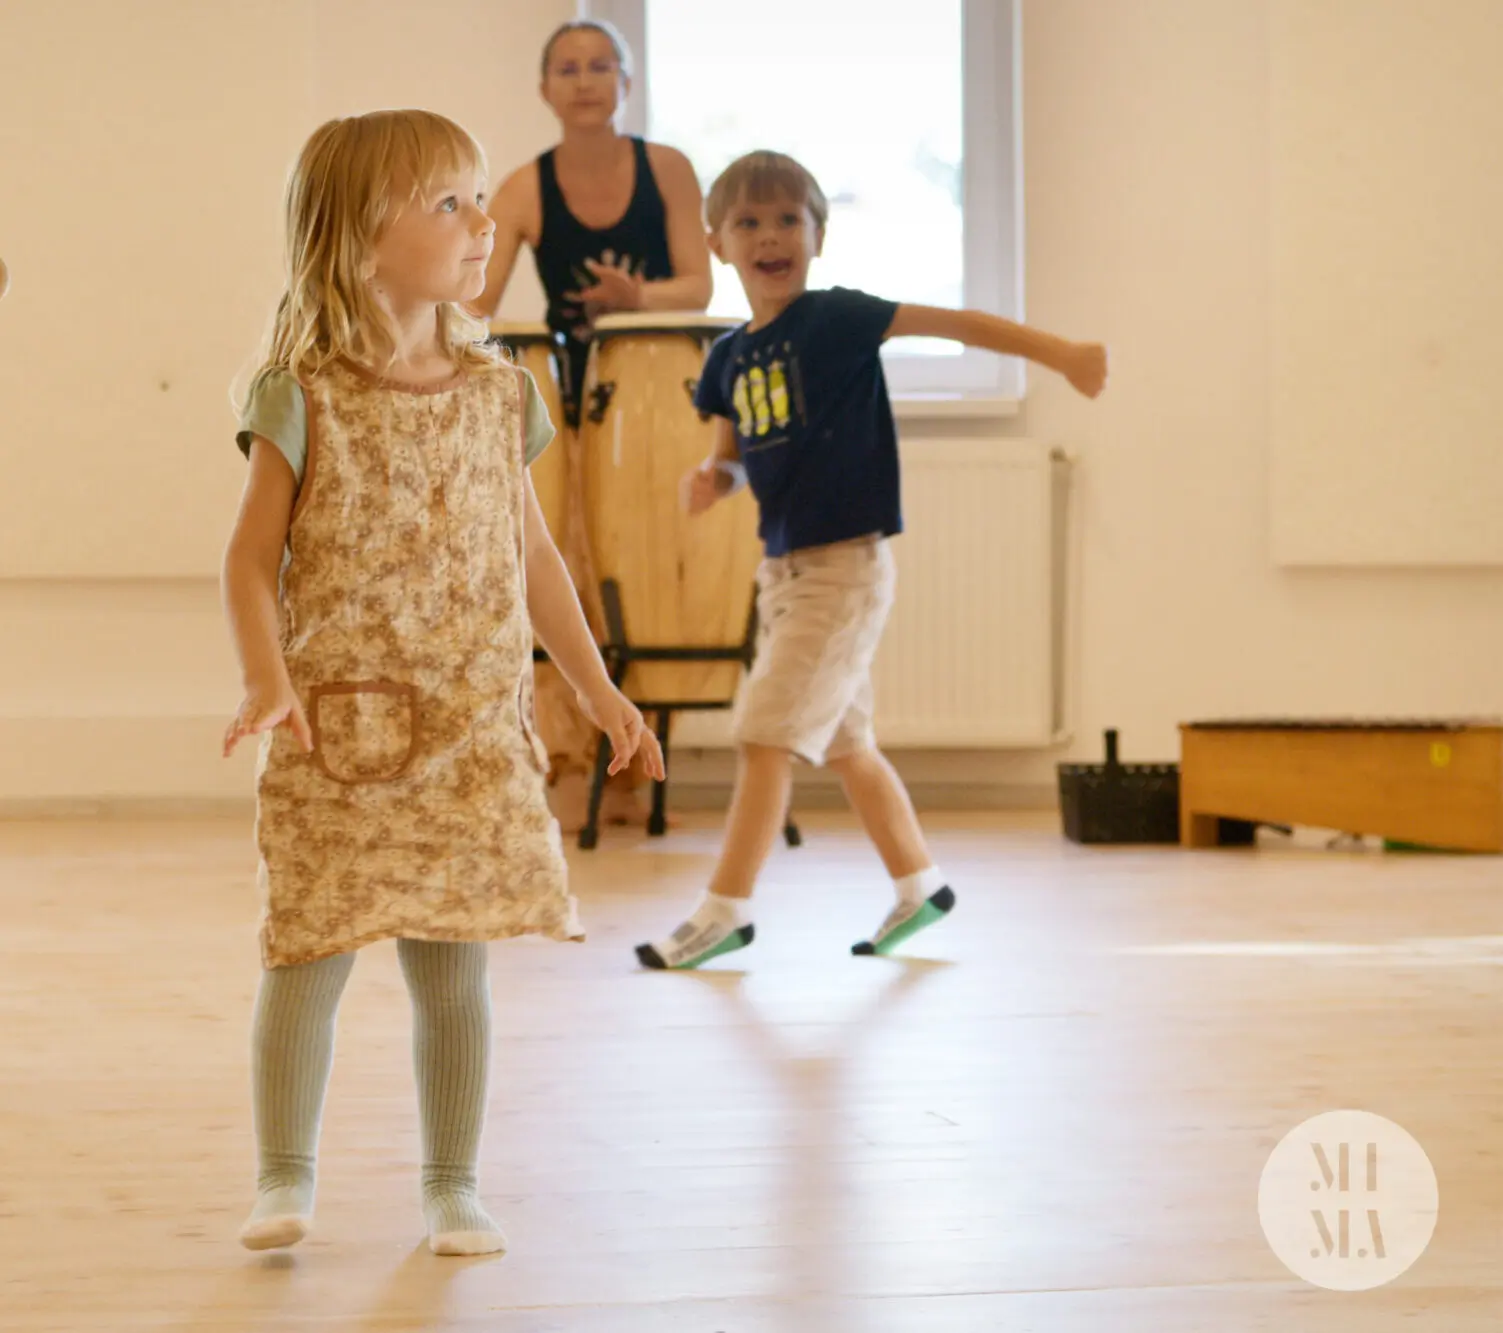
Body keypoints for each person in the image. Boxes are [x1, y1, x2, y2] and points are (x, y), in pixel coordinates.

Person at [220, 108, 663, 1256]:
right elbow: (250, 560)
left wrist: (599, 690)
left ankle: (453, 1185)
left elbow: (536, 560)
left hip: (469, 731)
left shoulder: (498, 391)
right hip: (332, 733)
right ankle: (283, 1176)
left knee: (454, 974)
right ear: (364, 235)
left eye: (480, 196)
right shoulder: (301, 391)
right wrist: (267, 679)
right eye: (450, 203)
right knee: (306, 953)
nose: (483, 222)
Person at [635, 151, 1109, 971]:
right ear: (717, 244)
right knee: (848, 743)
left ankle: (723, 911)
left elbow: (958, 326)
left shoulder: (836, 318)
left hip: (842, 568)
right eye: (748, 222)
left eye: (788, 219)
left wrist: (1060, 352)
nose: (770, 236)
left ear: (818, 234)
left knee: (762, 735)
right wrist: (714, 479)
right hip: (783, 571)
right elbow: (733, 452)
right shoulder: (728, 357)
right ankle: (919, 885)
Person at [472, 18, 713, 832]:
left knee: (647, 570)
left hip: (657, 399)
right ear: (544, 89)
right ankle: (572, 758)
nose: (584, 81)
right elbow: (475, 299)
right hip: (567, 401)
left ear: (626, 83)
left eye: (601, 66)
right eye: (568, 69)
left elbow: (698, 284)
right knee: (565, 567)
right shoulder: (523, 188)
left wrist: (634, 298)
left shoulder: (667, 168)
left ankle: (642, 761)